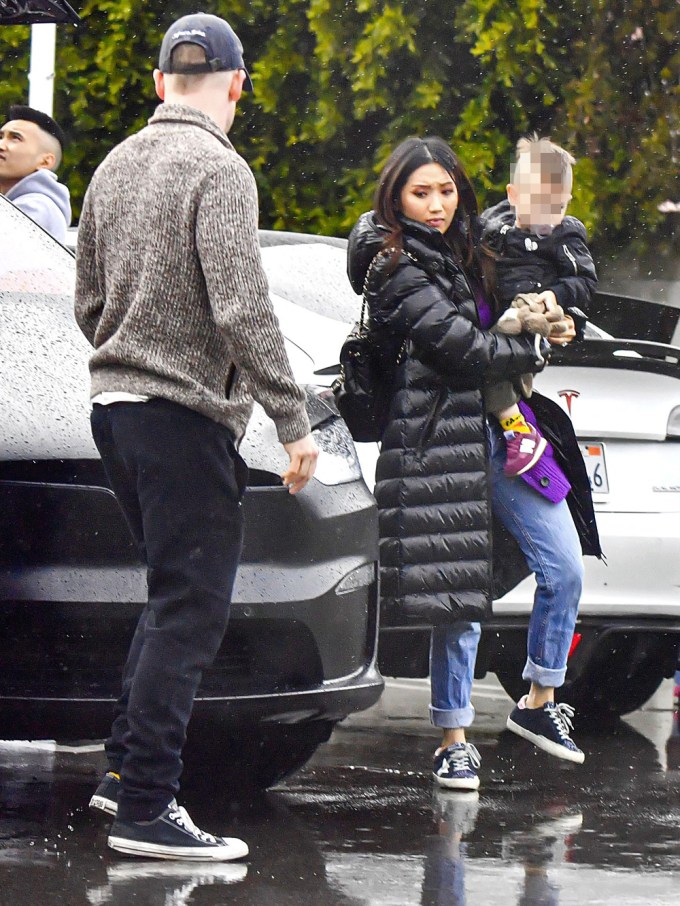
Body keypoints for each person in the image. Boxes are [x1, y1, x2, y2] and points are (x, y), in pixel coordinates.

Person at [75, 12, 318, 861]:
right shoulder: (220, 168)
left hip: (116, 414)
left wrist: (128, 358)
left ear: (156, 83)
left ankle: (121, 777)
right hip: (181, 421)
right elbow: (243, 307)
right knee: (192, 610)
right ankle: (148, 807)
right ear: (237, 85)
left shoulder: (112, 165)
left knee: (168, 600)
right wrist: (294, 420)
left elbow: (89, 301)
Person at [347, 136, 600, 793]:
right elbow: (462, 348)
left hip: (506, 430)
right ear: (395, 197)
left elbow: (532, 292)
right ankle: (453, 738)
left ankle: (540, 702)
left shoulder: (476, 250)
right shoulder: (394, 262)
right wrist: (535, 348)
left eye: (446, 190)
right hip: (439, 440)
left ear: (464, 192)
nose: (435, 205)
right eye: (419, 192)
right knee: (461, 597)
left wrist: (554, 319)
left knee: (564, 566)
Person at [479, 135, 598, 477]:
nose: (549, 217)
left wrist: (557, 297)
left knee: (497, 357)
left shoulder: (565, 236)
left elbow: (585, 282)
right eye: (540, 205)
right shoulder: (493, 229)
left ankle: (518, 431)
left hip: (537, 314)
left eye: (558, 207)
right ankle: (517, 429)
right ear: (513, 196)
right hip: (504, 313)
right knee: (487, 355)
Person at [0, 104, 71, 242]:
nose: (1, 145)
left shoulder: (36, 208)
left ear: (45, 162)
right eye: (1, 136)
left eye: (15, 138)